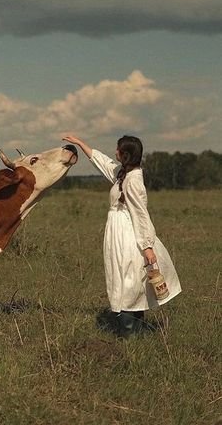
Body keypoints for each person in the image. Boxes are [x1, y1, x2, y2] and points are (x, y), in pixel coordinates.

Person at [63, 134, 181, 336]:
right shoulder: (123, 173)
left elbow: (141, 214)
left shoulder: (134, 180)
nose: (114, 152)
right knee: (128, 278)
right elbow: (105, 164)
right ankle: (133, 330)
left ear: (125, 155)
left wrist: (147, 246)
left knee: (130, 279)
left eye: (118, 150)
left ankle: (130, 332)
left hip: (127, 234)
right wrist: (81, 144)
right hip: (118, 233)